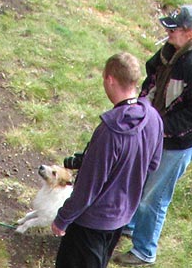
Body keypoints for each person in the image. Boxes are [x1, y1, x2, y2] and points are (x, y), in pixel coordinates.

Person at [51, 52, 164, 268]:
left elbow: (88, 188)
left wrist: (63, 218)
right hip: (120, 219)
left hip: (90, 224)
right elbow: (153, 164)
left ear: (110, 79)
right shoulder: (153, 118)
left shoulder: (109, 131)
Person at [113, 5, 192, 266]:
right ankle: (130, 224)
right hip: (156, 131)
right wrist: (142, 110)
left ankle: (144, 250)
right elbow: (152, 77)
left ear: (191, 33)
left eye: (174, 29)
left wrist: (156, 126)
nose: (168, 32)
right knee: (141, 181)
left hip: (178, 143)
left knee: (155, 196)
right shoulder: (171, 52)